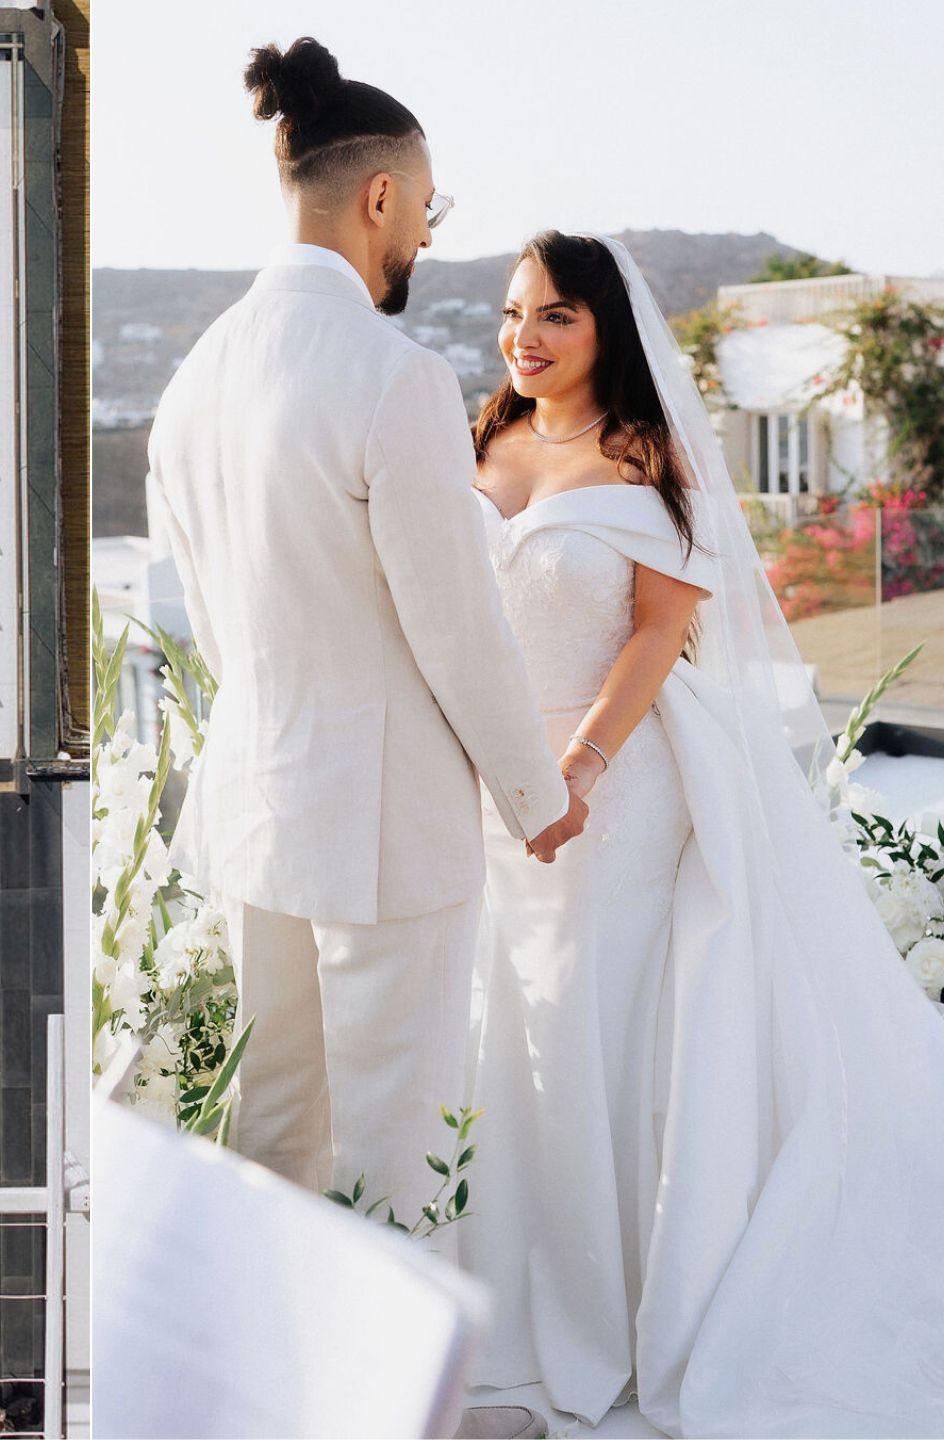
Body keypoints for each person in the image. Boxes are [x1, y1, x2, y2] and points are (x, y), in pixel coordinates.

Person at [145, 43, 584, 1437]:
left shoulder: (194, 380)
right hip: (386, 821)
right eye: (432, 211)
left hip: (260, 812)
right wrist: (535, 792)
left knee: (274, 1132)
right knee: (398, 1140)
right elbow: (455, 624)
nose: (431, 240)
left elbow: (208, 619)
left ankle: (264, 1403)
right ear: (380, 199)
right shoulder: (390, 372)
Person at [460, 229, 944, 1437]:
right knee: (512, 1020)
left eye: (555, 314)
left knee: (599, 1014)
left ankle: (623, 1299)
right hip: (482, 783)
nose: (524, 335)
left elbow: (652, 632)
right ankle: (516, 1288)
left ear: (606, 329)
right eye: (514, 311)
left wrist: (576, 770)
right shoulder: (480, 442)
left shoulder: (641, 451)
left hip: (614, 779)